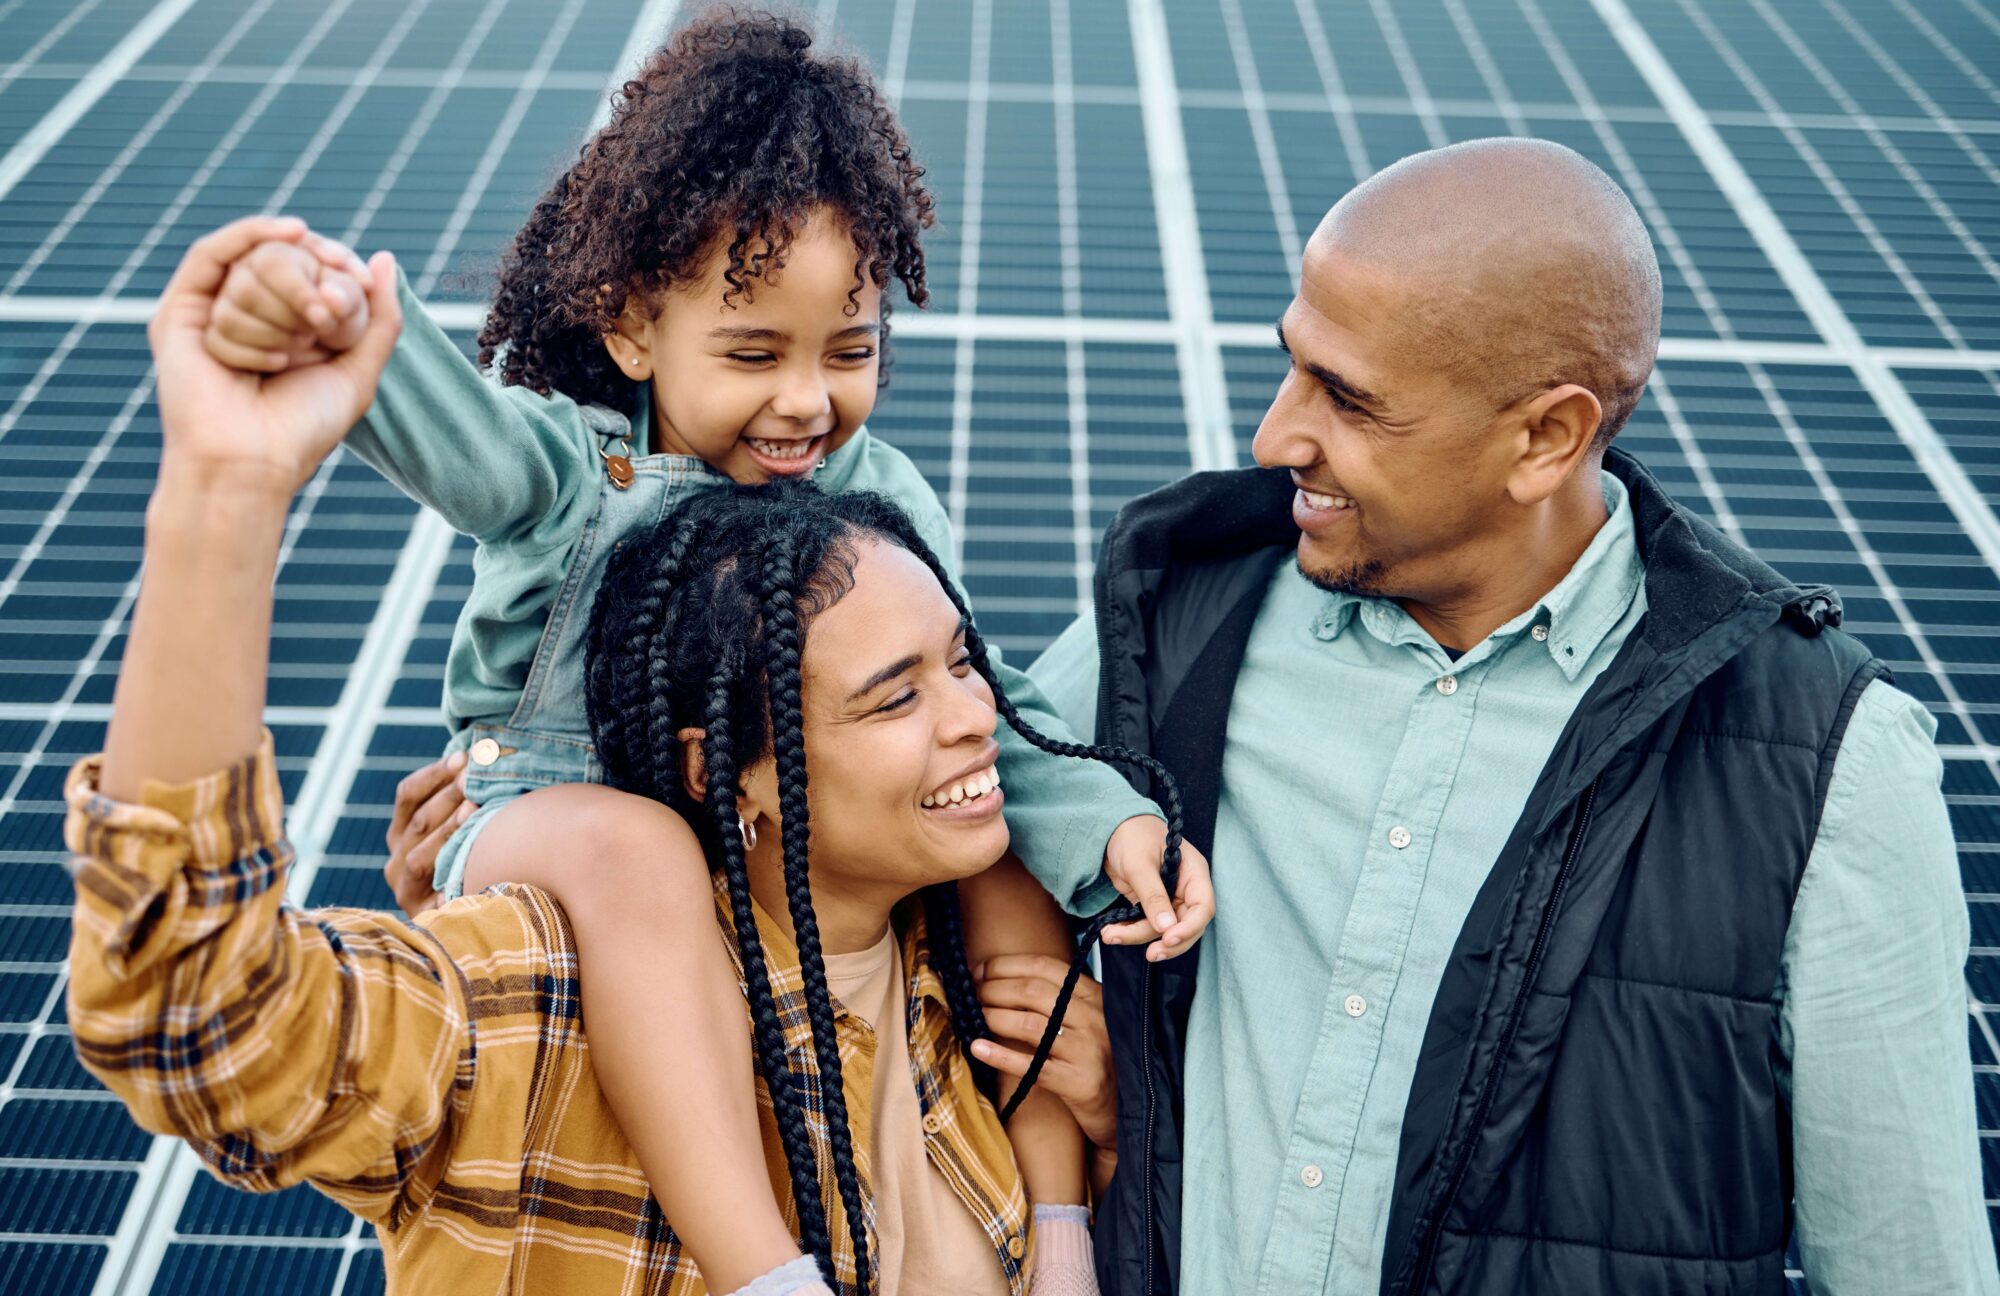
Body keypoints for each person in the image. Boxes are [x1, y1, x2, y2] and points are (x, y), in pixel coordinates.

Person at [191, 12, 1211, 1294]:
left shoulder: (870, 490)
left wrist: (1111, 829)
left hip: (774, 848)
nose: (803, 402)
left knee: (999, 843)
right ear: (630, 331)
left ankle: (1052, 1226)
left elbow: (983, 700)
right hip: (549, 815)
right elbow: (459, 440)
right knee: (639, 853)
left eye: (848, 352)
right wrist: (348, 337)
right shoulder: (573, 472)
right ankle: (759, 1265)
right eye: (750, 354)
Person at [1023, 138, 2000, 1294]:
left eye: (1347, 399)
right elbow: (928, 800)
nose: (1275, 437)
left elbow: (1905, 1266)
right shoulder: (1184, 614)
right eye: (1293, 366)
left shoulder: (1824, 764)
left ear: (1544, 437)